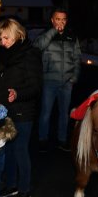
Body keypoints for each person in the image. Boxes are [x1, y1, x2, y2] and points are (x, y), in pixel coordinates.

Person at [0, 18, 43, 197]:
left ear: (18, 35)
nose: (4, 42)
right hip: (3, 111)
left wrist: (18, 94)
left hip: (23, 112)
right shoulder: (2, 54)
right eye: (1, 38)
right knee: (7, 150)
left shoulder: (30, 55)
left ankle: (24, 189)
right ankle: (11, 185)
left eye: (7, 38)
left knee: (19, 150)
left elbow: (35, 86)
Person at [33, 8, 81, 152]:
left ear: (66, 21)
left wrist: (74, 77)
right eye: (58, 19)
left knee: (64, 114)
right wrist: (53, 31)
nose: (61, 22)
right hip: (49, 81)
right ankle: (42, 139)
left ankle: (62, 140)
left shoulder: (72, 36)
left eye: (63, 19)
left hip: (67, 82)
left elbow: (78, 58)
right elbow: (37, 46)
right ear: (52, 20)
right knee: (46, 113)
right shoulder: (45, 35)